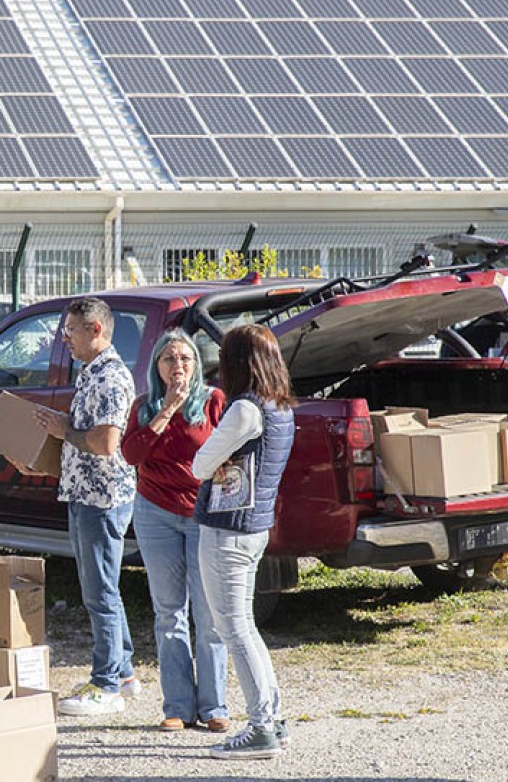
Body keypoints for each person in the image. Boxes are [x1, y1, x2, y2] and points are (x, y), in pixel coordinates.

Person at [15, 297, 140, 716]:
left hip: (101, 499)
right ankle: (121, 672)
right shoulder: (92, 372)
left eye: (70, 331)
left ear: (95, 331)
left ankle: (106, 685)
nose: (63, 339)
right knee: (103, 588)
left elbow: (105, 443)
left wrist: (61, 428)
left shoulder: (109, 379)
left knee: (99, 592)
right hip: (87, 494)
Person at [191, 323, 297, 760]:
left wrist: (217, 459)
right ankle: (272, 716)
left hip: (227, 530)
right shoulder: (281, 407)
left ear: (238, 363)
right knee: (244, 627)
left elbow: (200, 465)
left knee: (232, 628)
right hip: (253, 528)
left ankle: (260, 727)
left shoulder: (244, 410)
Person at [121, 330, 230, 734]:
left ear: (196, 364)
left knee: (210, 612)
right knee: (170, 614)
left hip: (203, 514)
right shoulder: (144, 405)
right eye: (169, 359)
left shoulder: (214, 402)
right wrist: (165, 411)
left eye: (185, 358)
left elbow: (231, 450)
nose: (178, 366)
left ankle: (214, 704)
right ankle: (178, 706)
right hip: (155, 513)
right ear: (156, 367)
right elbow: (131, 454)